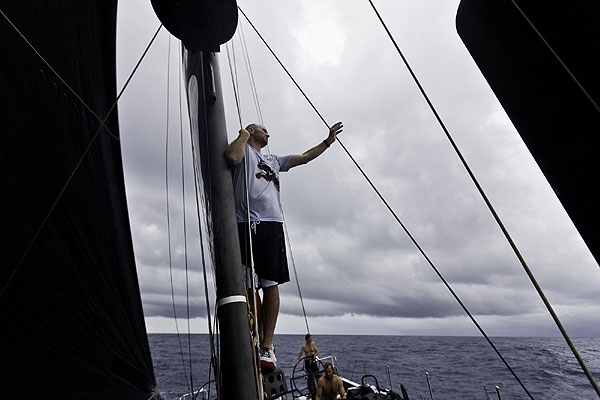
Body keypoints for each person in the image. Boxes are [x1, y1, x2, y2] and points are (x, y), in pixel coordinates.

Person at [224, 122, 343, 372]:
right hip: (245, 222)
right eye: (263, 130)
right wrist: (243, 135)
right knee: (248, 285)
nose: (269, 133)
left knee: (270, 283)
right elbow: (232, 156)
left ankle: (267, 344)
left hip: (271, 224)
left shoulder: (274, 160)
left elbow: (305, 158)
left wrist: (328, 142)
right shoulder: (244, 149)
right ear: (252, 131)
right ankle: (255, 334)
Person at [296, 333, 320, 399]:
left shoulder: (313, 344)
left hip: (313, 361)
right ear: (306, 339)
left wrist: (315, 355)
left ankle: (319, 391)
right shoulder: (304, 346)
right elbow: (300, 354)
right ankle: (310, 393)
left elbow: (316, 351)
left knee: (318, 376)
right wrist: (297, 360)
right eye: (310, 338)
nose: (311, 339)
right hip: (307, 362)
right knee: (309, 378)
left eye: (311, 338)